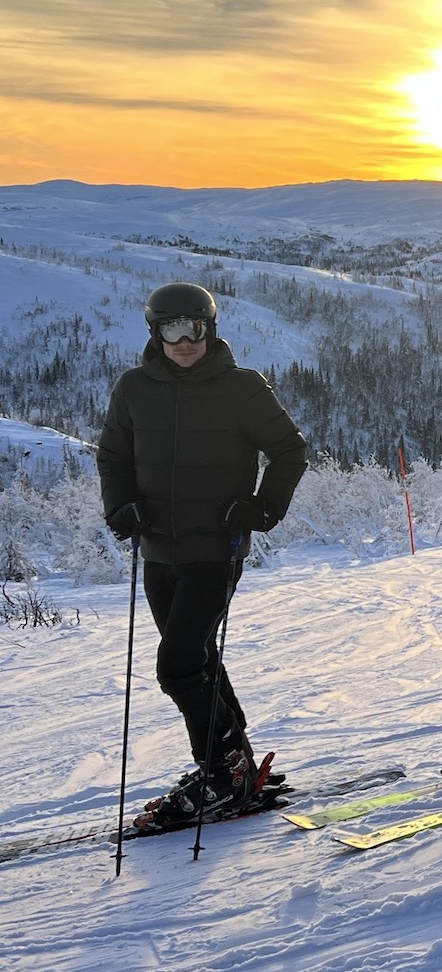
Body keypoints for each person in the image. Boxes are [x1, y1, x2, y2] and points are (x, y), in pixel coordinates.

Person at [97, 282, 308, 825]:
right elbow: (113, 455)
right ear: (155, 332)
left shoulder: (241, 388)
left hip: (216, 548)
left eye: (195, 328)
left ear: (210, 329)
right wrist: (120, 506)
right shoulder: (133, 389)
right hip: (158, 551)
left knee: (178, 665)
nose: (184, 340)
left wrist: (262, 508)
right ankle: (235, 764)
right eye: (172, 329)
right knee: (199, 658)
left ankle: (221, 772)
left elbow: (290, 450)